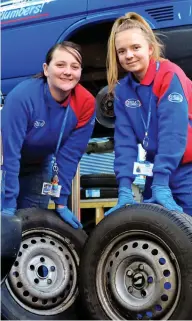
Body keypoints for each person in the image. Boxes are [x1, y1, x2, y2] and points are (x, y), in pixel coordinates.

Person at [105, 12, 192, 216]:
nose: (129, 55)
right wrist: (124, 187)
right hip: (157, 170)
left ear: (150, 48)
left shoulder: (169, 75)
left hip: (187, 168)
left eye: (136, 47)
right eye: (122, 51)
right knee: (156, 232)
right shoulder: (123, 90)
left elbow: (173, 133)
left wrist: (161, 182)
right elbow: (124, 142)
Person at [1, 41, 96, 228]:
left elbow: (69, 157)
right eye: (60, 65)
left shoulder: (86, 103)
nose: (68, 71)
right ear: (46, 69)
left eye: (74, 67)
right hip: (4, 162)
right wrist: (8, 203)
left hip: (38, 164)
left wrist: (61, 201)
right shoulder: (23, 97)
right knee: (5, 228)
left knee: (32, 227)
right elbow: (10, 154)